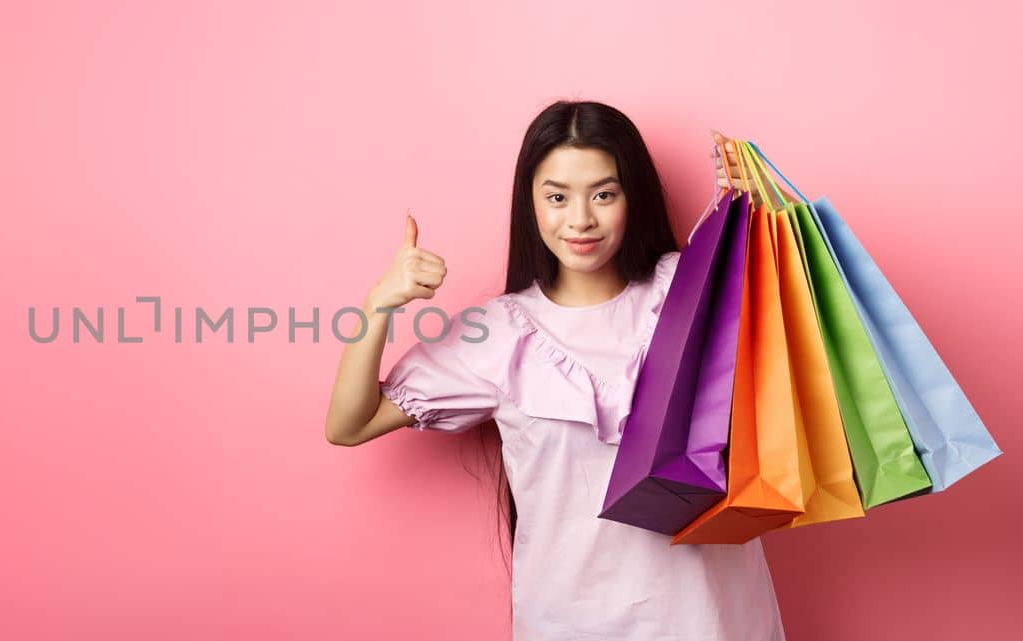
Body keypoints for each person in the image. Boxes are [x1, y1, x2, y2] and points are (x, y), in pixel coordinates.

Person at [323, 100, 787, 640]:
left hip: (711, 618)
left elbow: (799, 354)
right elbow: (349, 425)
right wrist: (378, 304)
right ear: (531, 204)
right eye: (558, 197)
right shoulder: (499, 334)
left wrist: (756, 221)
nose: (581, 219)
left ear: (630, 198)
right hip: (571, 621)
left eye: (604, 194)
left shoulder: (690, 287)